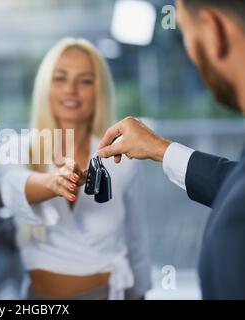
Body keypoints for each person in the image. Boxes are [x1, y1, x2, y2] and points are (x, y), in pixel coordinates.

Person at [97, 0, 245, 299]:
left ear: (215, 32)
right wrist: (161, 149)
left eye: (186, 33)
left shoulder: (233, 235)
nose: (190, 53)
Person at [0, 37, 151, 300]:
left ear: (99, 90)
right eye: (60, 78)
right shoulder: (15, 147)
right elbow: (12, 190)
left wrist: (141, 293)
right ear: (45, 86)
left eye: (85, 80)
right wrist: (54, 183)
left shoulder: (121, 157)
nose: (71, 89)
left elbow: (136, 240)